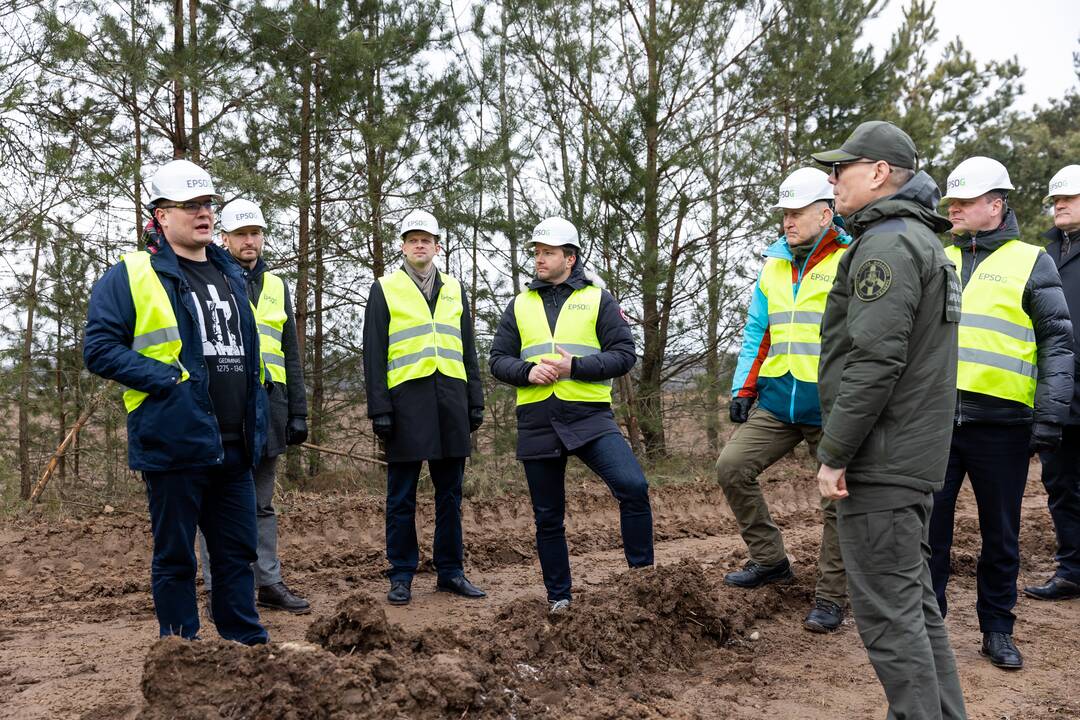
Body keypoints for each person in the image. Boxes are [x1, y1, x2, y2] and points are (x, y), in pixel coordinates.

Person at [812, 121, 967, 718]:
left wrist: (835, 452)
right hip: (908, 455)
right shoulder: (919, 241)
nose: (833, 179)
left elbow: (875, 361)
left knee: (888, 616)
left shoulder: (885, 245)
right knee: (914, 607)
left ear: (878, 173)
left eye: (842, 168)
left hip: (881, 458)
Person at [83, 160, 268, 644]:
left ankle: (245, 645)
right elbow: (99, 349)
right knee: (175, 557)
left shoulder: (231, 273)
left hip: (234, 444)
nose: (203, 214)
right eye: (189, 206)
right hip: (174, 441)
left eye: (208, 204)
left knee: (236, 554)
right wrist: (166, 378)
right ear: (161, 216)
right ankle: (180, 655)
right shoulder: (131, 274)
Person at [929, 157, 1073, 670]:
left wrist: (1049, 416)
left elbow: (1057, 342)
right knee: (930, 535)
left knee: (1001, 536)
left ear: (996, 204)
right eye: (952, 202)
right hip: (936, 423)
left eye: (965, 202)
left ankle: (997, 629)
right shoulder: (935, 255)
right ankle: (929, 628)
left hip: (1004, 426)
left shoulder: (1032, 260)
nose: (956, 210)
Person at [489, 217, 654, 613]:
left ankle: (645, 583)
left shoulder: (599, 299)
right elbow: (497, 361)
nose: (539, 259)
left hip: (589, 417)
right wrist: (527, 371)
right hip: (537, 420)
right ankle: (559, 599)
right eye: (537, 253)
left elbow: (624, 355)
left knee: (633, 486)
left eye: (548, 253)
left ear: (570, 257)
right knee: (548, 518)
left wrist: (574, 367)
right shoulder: (519, 304)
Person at [719, 167, 850, 633]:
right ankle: (770, 560)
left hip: (831, 404)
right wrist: (743, 388)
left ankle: (833, 595)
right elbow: (758, 330)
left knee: (836, 500)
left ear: (825, 212)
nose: (788, 222)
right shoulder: (774, 264)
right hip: (778, 398)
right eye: (784, 214)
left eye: (796, 213)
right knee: (731, 466)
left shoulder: (849, 259)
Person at [362, 209, 486, 606]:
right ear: (403, 245)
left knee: (450, 494)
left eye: (426, 239)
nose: (420, 245)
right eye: (413, 239)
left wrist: (475, 400)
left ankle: (451, 572)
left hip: (451, 402)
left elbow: (469, 348)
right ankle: (401, 574)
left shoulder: (454, 288)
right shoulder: (385, 288)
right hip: (405, 405)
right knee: (401, 497)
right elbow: (374, 352)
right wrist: (379, 408)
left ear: (437, 246)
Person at [197, 199, 311, 618]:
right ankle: (221, 590)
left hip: (271, 410)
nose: (250, 241)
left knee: (262, 505)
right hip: (226, 412)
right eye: (241, 234)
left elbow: (291, 355)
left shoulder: (277, 286)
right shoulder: (210, 280)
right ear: (224, 238)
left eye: (256, 233)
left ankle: (267, 582)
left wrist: (298, 412)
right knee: (218, 508)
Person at [1025, 164, 1080, 602]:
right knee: (1060, 485)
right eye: (1055, 199)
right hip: (1057, 393)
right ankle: (1072, 570)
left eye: (1069, 198)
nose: (1059, 204)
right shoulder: (1043, 254)